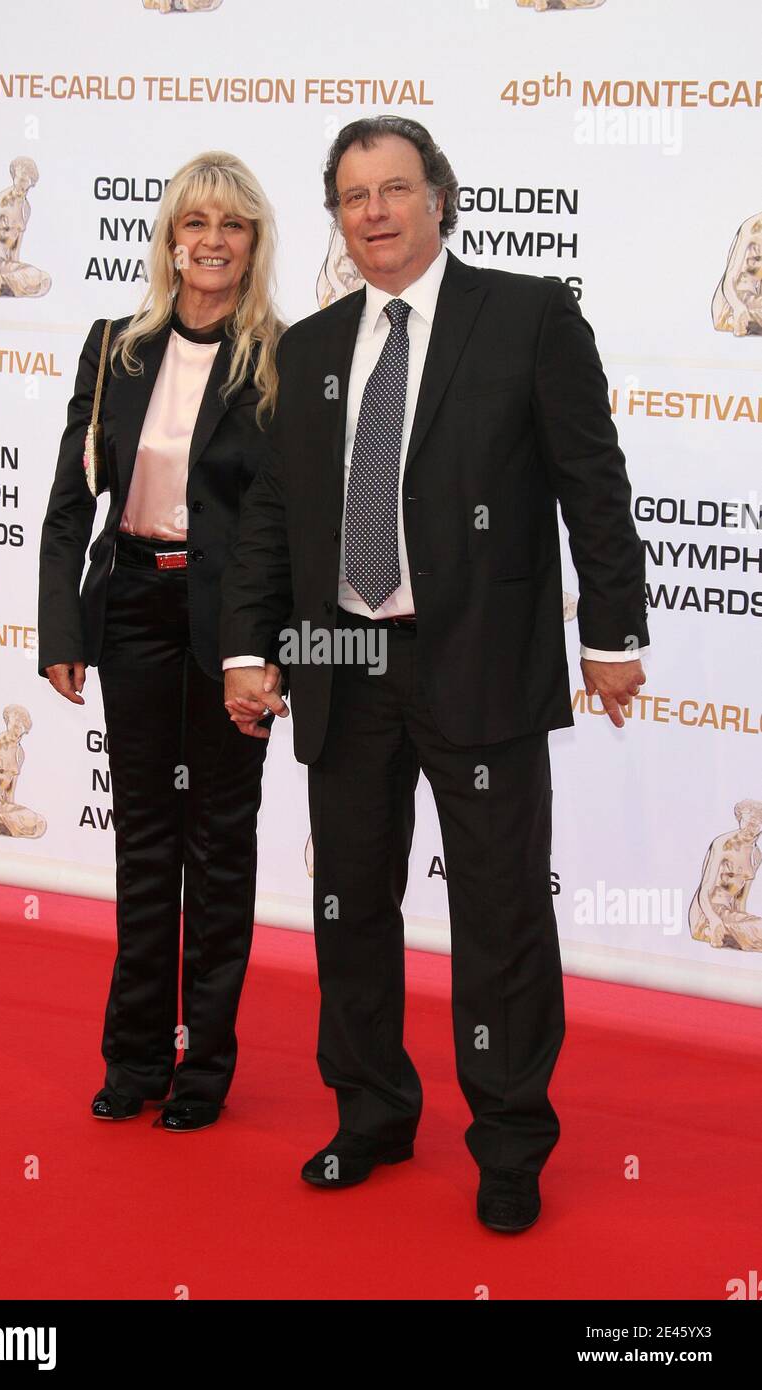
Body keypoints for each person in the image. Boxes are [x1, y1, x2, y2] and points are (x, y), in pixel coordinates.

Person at [220, 116, 649, 1230]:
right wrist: (247, 644)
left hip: (482, 665)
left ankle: (508, 1143)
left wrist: (608, 635)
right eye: (353, 195)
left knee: (501, 915)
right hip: (341, 662)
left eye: (394, 188)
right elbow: (274, 513)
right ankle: (368, 1112)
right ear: (337, 216)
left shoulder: (526, 315)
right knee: (348, 903)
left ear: (437, 197)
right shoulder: (308, 348)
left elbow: (590, 486)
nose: (373, 212)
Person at [38, 151, 285, 1132]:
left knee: (219, 848)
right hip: (134, 607)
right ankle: (134, 1057)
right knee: (143, 843)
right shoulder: (114, 347)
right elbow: (69, 504)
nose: (211, 240)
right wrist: (64, 626)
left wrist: (271, 653)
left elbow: (293, 524)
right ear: (170, 239)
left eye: (231, 224)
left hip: (230, 631)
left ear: (253, 241)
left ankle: (204, 1070)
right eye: (195, 222)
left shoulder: (281, 359)